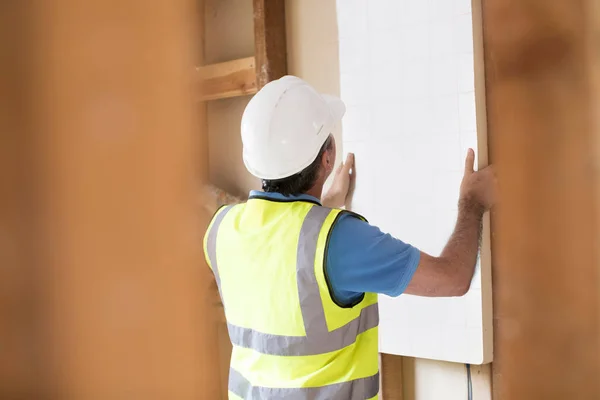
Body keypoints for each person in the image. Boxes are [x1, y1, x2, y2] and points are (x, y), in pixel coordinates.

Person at [203, 76, 496, 399]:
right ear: (328, 158)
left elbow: (284, 252)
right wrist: (472, 203)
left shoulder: (222, 229)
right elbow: (453, 278)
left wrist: (324, 204)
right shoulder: (341, 239)